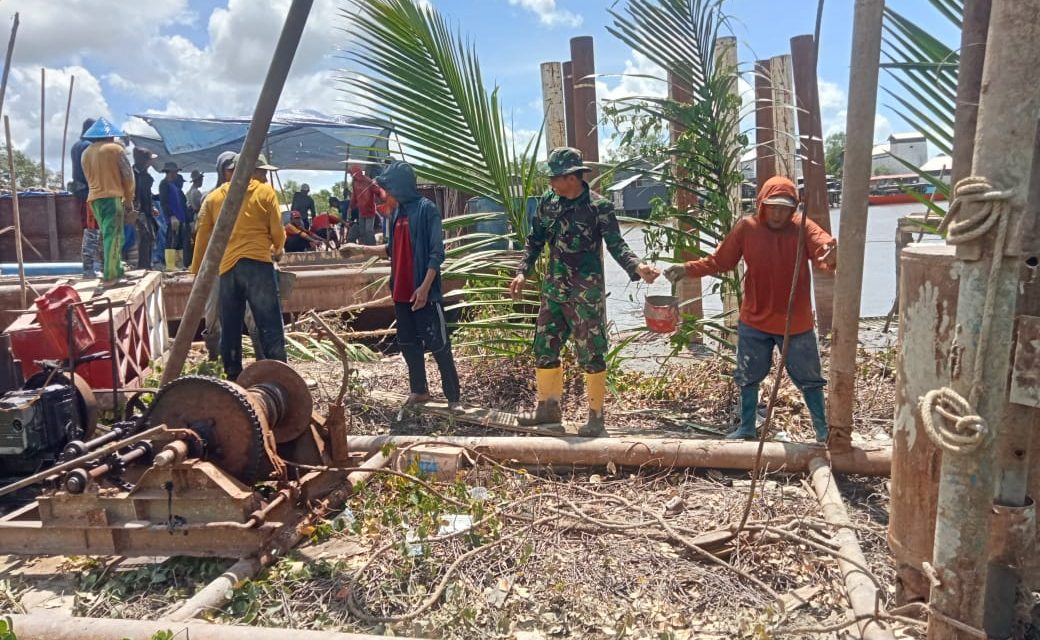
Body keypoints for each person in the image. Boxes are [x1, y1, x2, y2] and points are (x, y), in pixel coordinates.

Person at [664, 175, 838, 443]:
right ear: (762, 205)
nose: (778, 214)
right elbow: (720, 261)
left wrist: (832, 254)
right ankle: (746, 427)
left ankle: (822, 431)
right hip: (755, 320)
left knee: (810, 379)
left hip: (795, 322)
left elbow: (824, 250)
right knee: (747, 376)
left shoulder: (803, 227)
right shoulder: (747, 228)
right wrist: (687, 269)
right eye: (773, 207)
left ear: (793, 209)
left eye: (784, 208)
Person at [508, 147, 659, 437]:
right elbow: (534, 240)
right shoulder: (548, 203)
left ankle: (596, 417)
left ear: (572, 177)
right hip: (554, 290)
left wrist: (638, 267)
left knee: (591, 353)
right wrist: (522, 271)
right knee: (544, 346)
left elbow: (617, 245)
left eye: (555, 177)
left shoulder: (598, 207)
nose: (551, 182)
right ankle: (548, 409)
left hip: (585, 294)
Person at [341, 160, 461, 411]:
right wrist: (359, 250)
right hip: (401, 292)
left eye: (389, 189)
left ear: (401, 187)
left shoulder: (427, 210)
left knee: (438, 344)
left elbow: (436, 254)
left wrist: (425, 288)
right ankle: (419, 390)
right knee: (407, 343)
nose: (386, 194)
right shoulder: (397, 214)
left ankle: (453, 398)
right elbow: (391, 249)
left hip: (423, 293)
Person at [192, 153, 286, 380]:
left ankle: (233, 377)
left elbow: (202, 237)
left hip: (228, 269)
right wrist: (278, 249)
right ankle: (279, 374)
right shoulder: (265, 192)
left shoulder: (213, 198)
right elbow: (277, 230)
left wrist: (196, 270)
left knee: (231, 326)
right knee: (270, 323)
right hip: (259, 266)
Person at [80, 118, 135, 286]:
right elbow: (128, 176)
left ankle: (116, 270)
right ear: (111, 136)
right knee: (115, 236)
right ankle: (111, 276)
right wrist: (129, 199)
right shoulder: (116, 149)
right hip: (112, 197)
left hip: (94, 199)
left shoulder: (86, 153)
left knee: (108, 236)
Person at [71, 118, 101, 278]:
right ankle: (88, 269)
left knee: (91, 230)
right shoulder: (88, 147)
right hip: (89, 193)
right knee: (92, 231)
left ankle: (90, 268)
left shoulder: (77, 145)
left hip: (81, 192)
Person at [159, 161, 190, 270]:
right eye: (174, 172)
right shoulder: (164, 184)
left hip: (180, 218)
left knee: (179, 242)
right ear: (169, 172)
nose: (176, 174)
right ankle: (170, 266)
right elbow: (164, 202)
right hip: (173, 219)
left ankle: (179, 264)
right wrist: (171, 216)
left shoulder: (174, 185)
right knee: (171, 241)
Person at [131, 146, 156, 270]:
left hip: (145, 212)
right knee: (142, 238)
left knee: (148, 238)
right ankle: (142, 267)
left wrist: (152, 207)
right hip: (136, 212)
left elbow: (147, 194)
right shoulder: (132, 175)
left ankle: (146, 266)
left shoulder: (145, 175)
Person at [347, 164, 383, 245]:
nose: (350, 175)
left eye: (351, 173)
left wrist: (382, 196)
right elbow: (354, 196)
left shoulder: (367, 180)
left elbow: (377, 190)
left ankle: (372, 247)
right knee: (362, 231)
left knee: (368, 230)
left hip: (370, 209)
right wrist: (351, 206)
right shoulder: (355, 183)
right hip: (362, 210)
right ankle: (364, 247)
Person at [186, 169, 205, 269]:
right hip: (195, 219)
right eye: (201, 179)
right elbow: (198, 207)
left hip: (192, 220)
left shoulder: (190, 191)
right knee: (197, 241)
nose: (202, 181)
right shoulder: (195, 192)